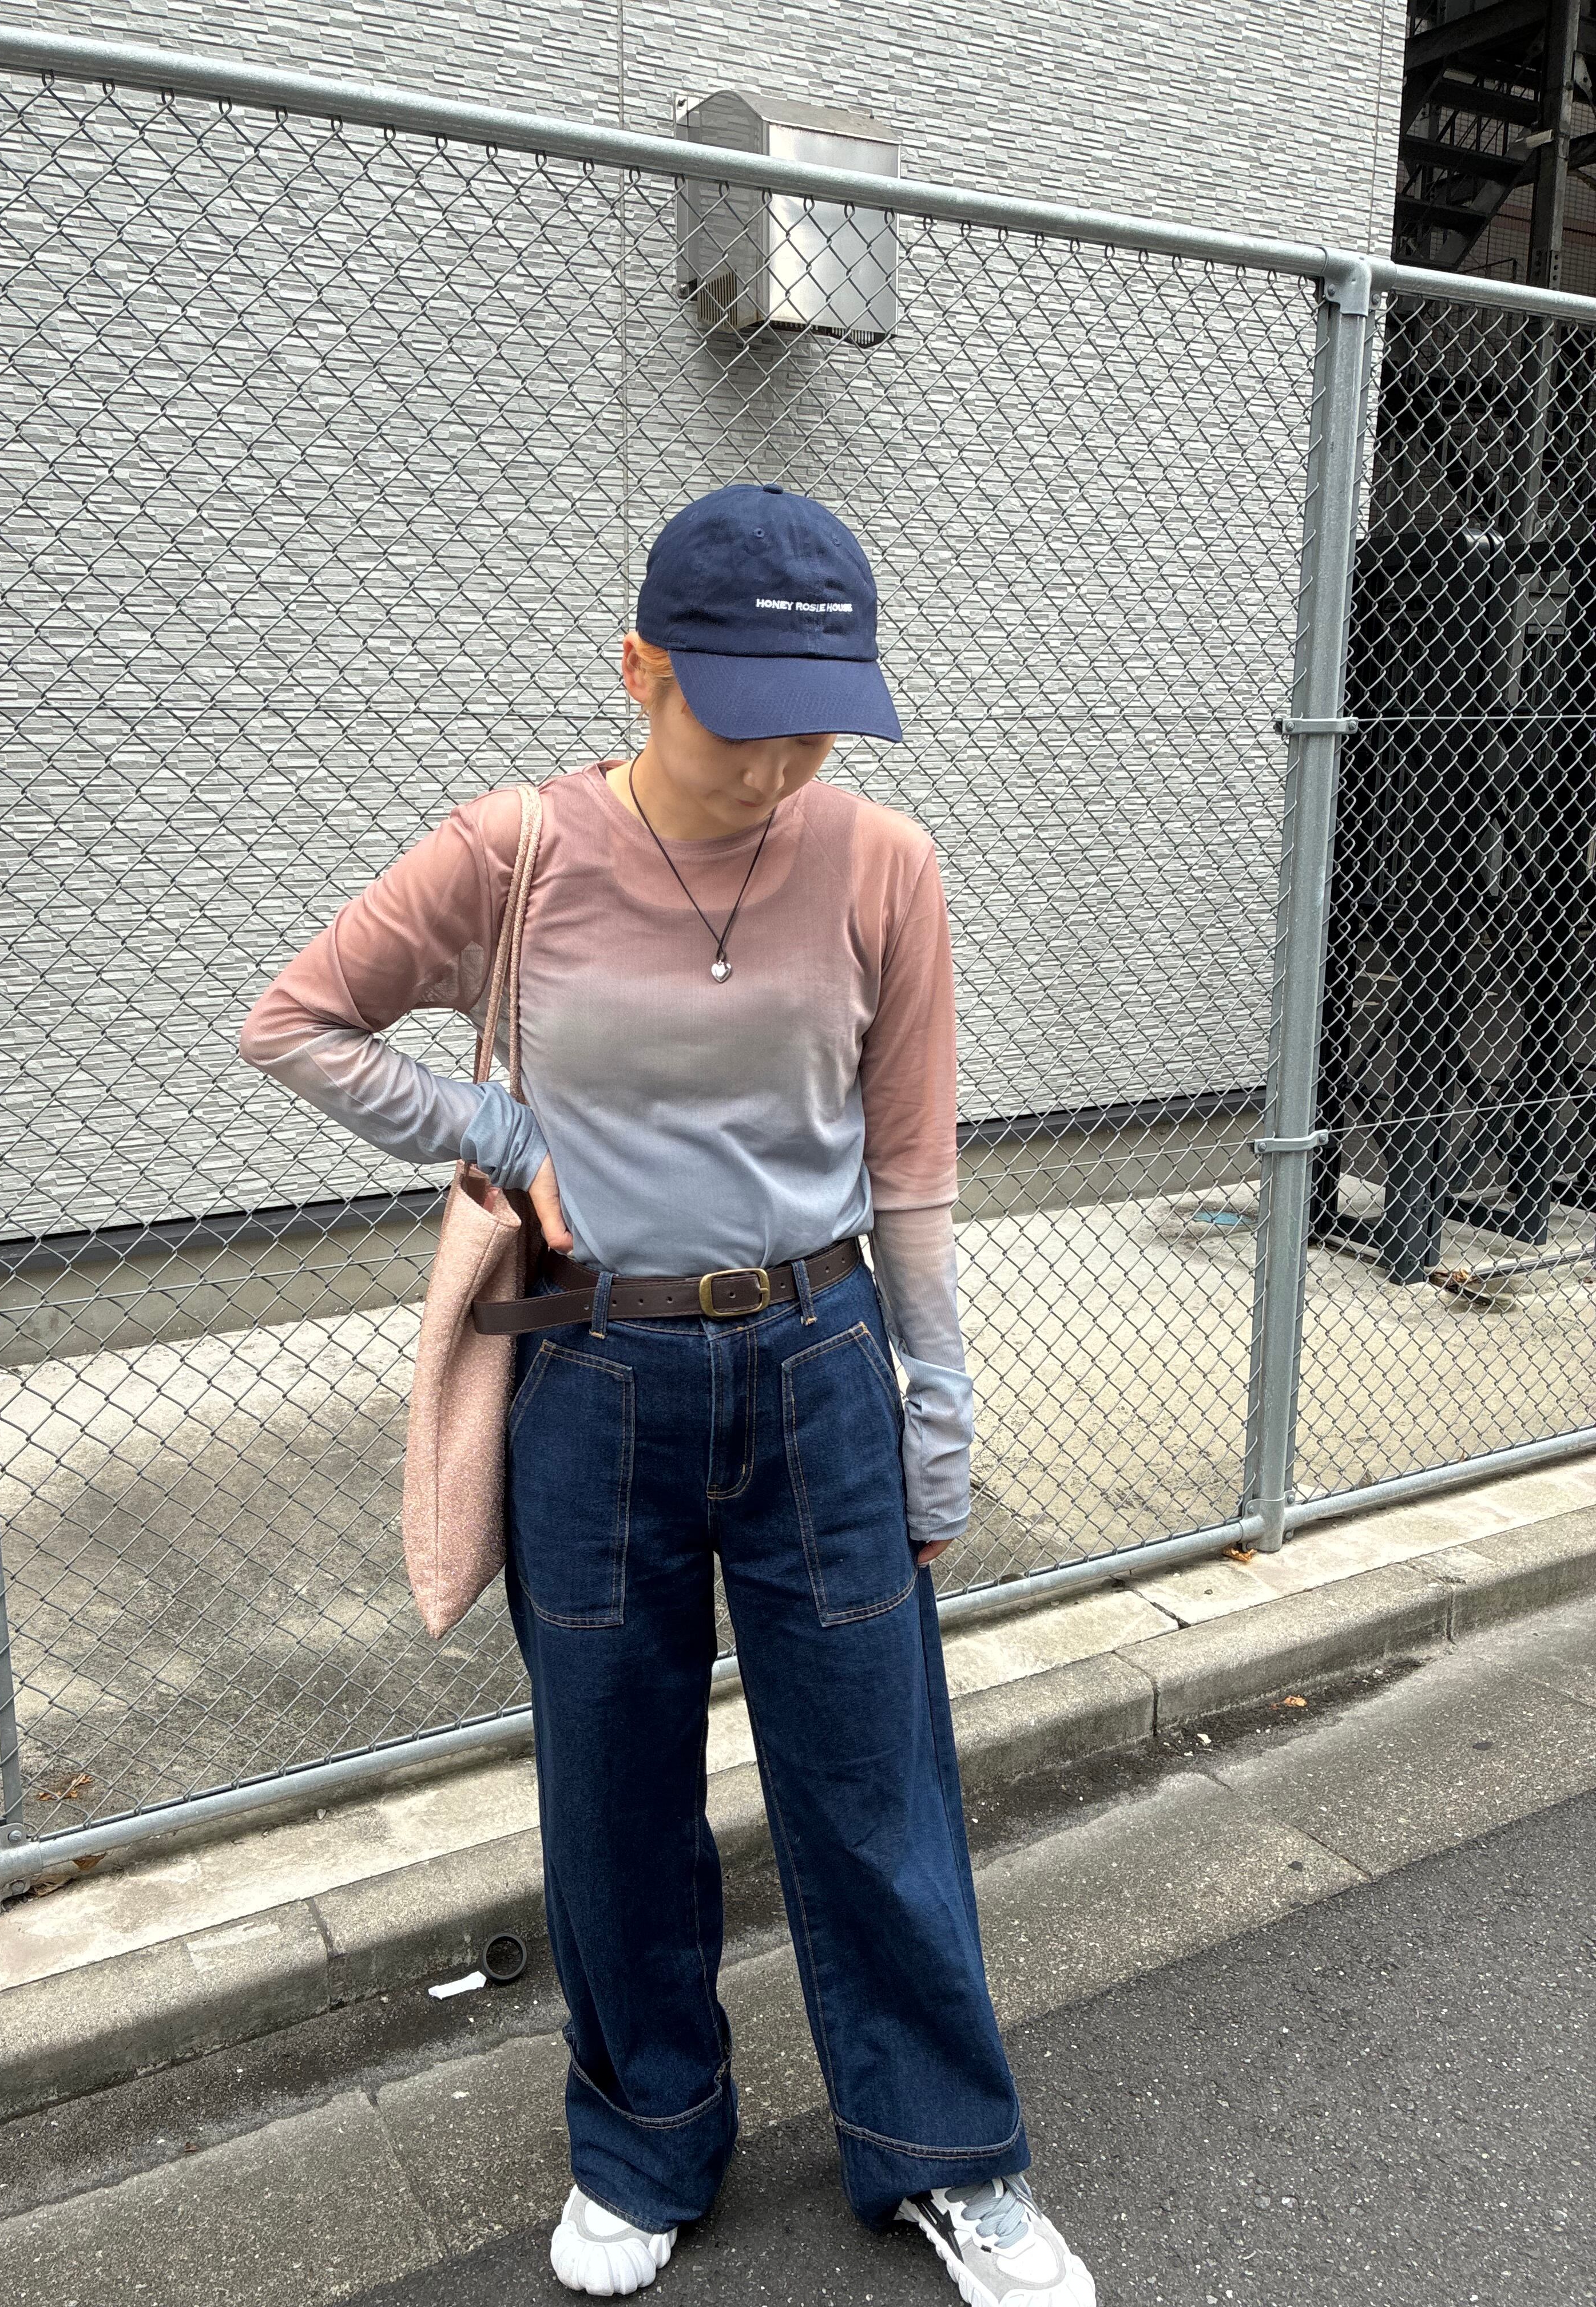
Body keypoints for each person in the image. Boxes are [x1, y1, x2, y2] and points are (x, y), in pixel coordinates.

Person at [239, 482, 1097, 2305]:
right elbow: (296, 1022)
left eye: (817, 726)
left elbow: (913, 1170)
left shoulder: (883, 864)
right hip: (594, 1377)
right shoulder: (514, 851)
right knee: (611, 1787)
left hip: (820, 1367)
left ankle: (949, 2151)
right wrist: (495, 1131)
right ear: (639, 671)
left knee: (873, 1780)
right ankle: (645, 2140)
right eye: (739, 718)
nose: (780, 765)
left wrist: (937, 1418)